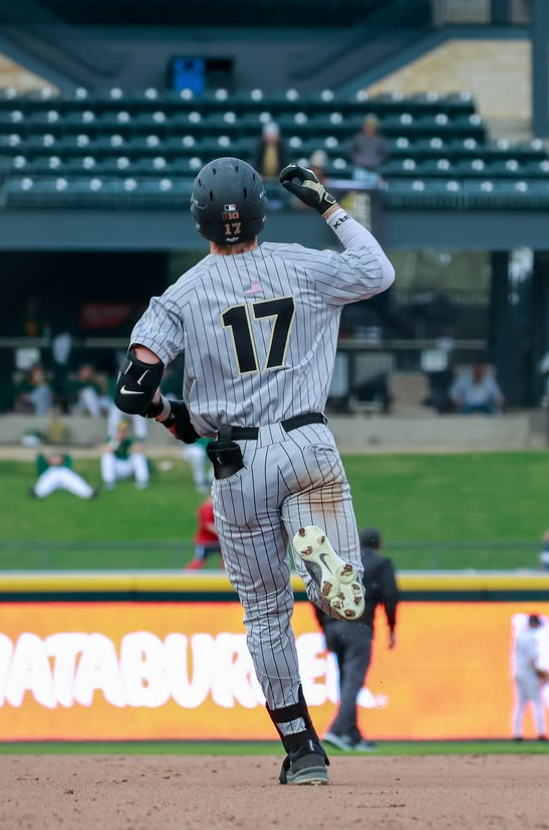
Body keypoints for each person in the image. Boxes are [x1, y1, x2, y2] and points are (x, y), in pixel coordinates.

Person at [113, 156, 395, 785]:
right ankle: (325, 574)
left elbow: (133, 389)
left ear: (199, 221)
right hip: (306, 443)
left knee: (265, 613)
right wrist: (326, 202)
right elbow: (378, 271)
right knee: (340, 598)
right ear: (263, 212)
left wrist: (173, 416)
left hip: (236, 462)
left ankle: (303, 752)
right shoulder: (302, 264)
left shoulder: (181, 295)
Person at [315, 526, 399, 751]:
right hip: (358, 627)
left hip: (333, 626)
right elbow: (390, 596)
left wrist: (325, 628)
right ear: (379, 545)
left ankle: (353, 735)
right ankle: (336, 730)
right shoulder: (381, 564)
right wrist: (392, 627)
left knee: (345, 680)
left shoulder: (342, 564)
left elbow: (320, 592)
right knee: (354, 681)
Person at [512, 614, 548, 741]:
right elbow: (532, 661)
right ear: (533, 623)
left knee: (520, 704)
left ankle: (517, 734)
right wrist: (542, 674)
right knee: (537, 703)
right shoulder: (531, 638)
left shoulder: (520, 635)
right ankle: (541, 733)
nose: (537, 627)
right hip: (528, 674)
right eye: (536, 624)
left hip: (518, 673)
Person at [100, 420, 149, 490]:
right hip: (117, 469)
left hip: (128, 467)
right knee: (107, 457)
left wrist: (132, 447)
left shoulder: (129, 440)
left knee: (138, 456)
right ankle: (109, 482)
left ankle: (143, 481)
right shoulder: (111, 440)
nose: (122, 433)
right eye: (120, 431)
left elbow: (140, 449)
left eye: (123, 431)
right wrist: (116, 441)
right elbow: (106, 450)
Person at [30, 450, 97, 499]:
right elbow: (40, 457)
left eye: (58, 458)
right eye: (54, 458)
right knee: (46, 481)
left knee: (75, 480)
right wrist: (48, 459)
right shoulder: (47, 467)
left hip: (64, 473)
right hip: (52, 473)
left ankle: (89, 493)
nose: (56, 460)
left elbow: (68, 456)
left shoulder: (65, 466)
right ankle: (37, 492)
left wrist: (61, 457)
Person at [185, 494, 222, 570]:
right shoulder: (207, 507)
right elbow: (208, 525)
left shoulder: (208, 507)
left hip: (215, 540)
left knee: (227, 559)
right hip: (206, 541)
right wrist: (221, 533)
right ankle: (186, 576)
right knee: (199, 559)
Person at [349, 115, 387, 186]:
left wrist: (376, 161)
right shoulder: (358, 138)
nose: (370, 128)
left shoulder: (379, 140)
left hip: (374, 171)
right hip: (360, 170)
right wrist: (358, 160)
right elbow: (352, 152)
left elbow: (384, 154)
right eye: (368, 125)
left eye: (372, 126)